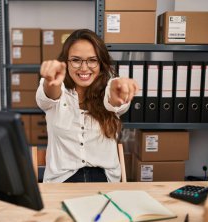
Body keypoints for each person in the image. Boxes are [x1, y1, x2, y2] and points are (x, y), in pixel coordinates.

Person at [36, 29, 138, 183]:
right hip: (62, 181)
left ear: (101, 63)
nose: (84, 68)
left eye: (92, 60)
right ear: (66, 62)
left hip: (104, 181)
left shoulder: (109, 89)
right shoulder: (56, 90)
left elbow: (116, 102)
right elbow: (49, 95)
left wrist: (119, 93)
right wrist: (51, 81)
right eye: (76, 60)